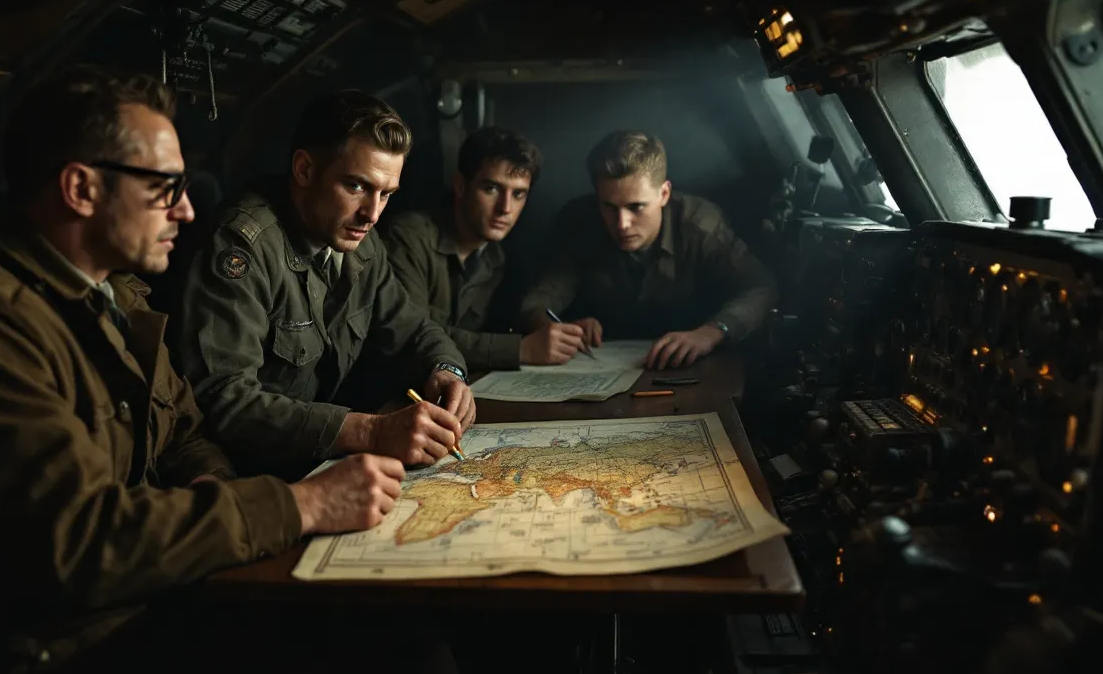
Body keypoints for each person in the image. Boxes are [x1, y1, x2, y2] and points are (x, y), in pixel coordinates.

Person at [0, 65, 428, 674]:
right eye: (164, 188)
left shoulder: (118, 299)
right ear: (81, 189)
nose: (187, 210)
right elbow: (79, 543)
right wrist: (301, 504)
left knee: (404, 637)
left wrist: (213, 496)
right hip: (66, 651)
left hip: (159, 596)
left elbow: (185, 433)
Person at [173, 90, 475, 479]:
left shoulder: (359, 240)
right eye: (356, 186)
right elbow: (224, 399)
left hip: (316, 462)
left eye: (386, 194)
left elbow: (413, 327)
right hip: (244, 478)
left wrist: (448, 370)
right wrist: (372, 431)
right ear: (304, 169)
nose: (372, 214)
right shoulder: (241, 246)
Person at [519, 129, 778, 370]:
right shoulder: (579, 222)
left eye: (636, 207)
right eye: (608, 207)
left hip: (689, 369)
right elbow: (538, 301)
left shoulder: (701, 226)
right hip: (600, 368)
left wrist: (711, 332)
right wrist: (556, 331)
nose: (622, 224)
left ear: (664, 193)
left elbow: (761, 287)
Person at [380, 126, 588, 370]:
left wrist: (552, 328)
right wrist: (520, 350)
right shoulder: (408, 237)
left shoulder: (498, 256)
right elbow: (410, 334)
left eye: (519, 194)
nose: (505, 208)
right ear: (460, 185)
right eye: (491, 189)